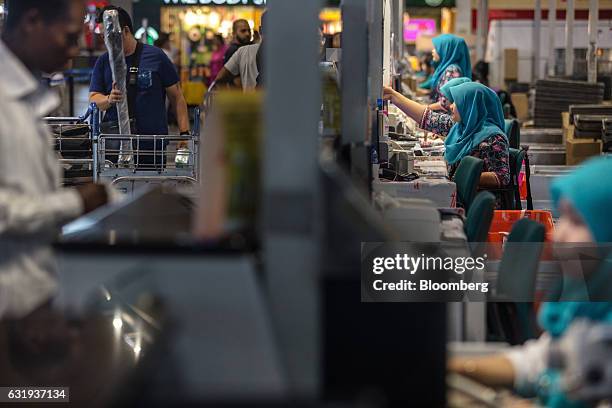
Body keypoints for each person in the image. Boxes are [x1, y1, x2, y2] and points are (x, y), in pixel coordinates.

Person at [449, 157, 612, 408]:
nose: (558, 235)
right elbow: (538, 363)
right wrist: (451, 367)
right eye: (562, 218)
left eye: (577, 221)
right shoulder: (587, 307)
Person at [0, 0, 109, 319]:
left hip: (35, 304)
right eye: (70, 37)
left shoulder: (29, 98)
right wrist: (74, 202)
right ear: (32, 21)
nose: (74, 50)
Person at [89, 6, 190, 167]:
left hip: (152, 144)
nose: (106, 41)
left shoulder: (156, 56)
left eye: (109, 35)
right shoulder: (103, 61)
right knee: (115, 190)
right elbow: (94, 98)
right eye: (103, 37)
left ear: (125, 30)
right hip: (115, 144)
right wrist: (109, 99)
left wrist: (184, 135)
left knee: (150, 190)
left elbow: (177, 97)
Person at [384, 82, 509, 193]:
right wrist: (393, 96)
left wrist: (463, 176)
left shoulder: (493, 138)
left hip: (474, 200)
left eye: (458, 103)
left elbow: (501, 177)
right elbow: (427, 117)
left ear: (472, 107)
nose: (451, 106)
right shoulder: (462, 127)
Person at [215, 12, 265, 91]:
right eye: (243, 31)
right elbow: (236, 82)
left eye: (249, 30)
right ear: (234, 33)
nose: (247, 34)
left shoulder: (244, 49)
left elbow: (220, 79)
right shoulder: (236, 50)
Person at [427, 34, 472, 112]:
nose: (433, 51)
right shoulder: (446, 68)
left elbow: (446, 103)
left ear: (446, 50)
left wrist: (424, 107)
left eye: (436, 48)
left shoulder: (452, 70)